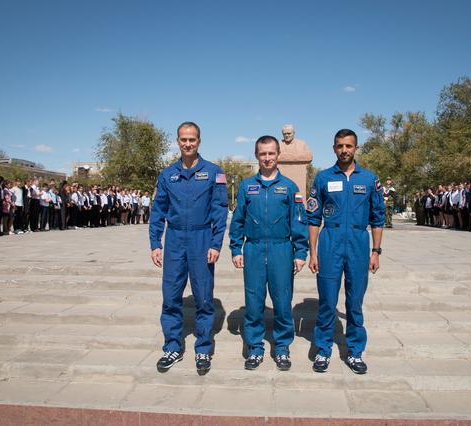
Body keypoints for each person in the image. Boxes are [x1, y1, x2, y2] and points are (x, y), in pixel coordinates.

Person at [150, 122, 228, 374]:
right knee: (171, 296)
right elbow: (158, 210)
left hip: (201, 239)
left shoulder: (214, 172)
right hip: (174, 240)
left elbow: (219, 210)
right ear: (177, 141)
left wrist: (215, 243)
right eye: (183, 139)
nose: (187, 144)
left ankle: (203, 348)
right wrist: (155, 243)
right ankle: (172, 346)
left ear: (199, 141)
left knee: (203, 297)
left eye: (192, 139)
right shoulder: (167, 175)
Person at [306, 128, 385, 374]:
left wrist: (376, 252)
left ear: (356, 148)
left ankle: (355, 351)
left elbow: (378, 218)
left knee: (355, 303)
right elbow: (313, 218)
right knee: (327, 302)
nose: (344, 150)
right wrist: (313, 253)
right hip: (330, 243)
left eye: (348, 146)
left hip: (358, 245)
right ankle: (323, 349)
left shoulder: (369, 179)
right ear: (334, 148)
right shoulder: (323, 178)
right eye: (340, 146)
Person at [229, 135, 308, 371]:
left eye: (271, 153)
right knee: (253, 302)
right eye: (262, 153)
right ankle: (255, 348)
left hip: (281, 250)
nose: (267, 158)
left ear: (278, 155)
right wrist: (236, 248)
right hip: (253, 249)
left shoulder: (289, 187)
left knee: (282, 302)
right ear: (256, 155)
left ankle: (282, 347)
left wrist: (300, 252)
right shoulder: (246, 187)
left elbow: (298, 221)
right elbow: (238, 220)